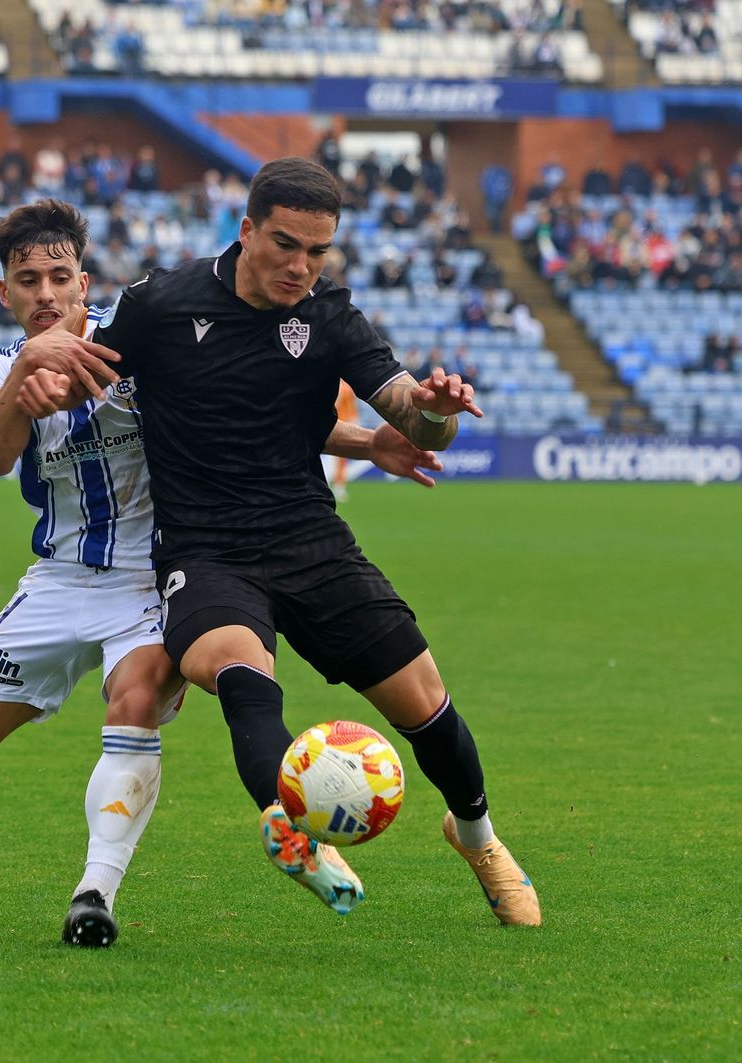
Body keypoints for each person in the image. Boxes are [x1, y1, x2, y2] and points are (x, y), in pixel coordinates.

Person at [0, 199, 444, 940]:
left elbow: (261, 412)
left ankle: (94, 894)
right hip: (58, 579)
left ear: (83, 283)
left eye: (58, 276)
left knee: (132, 702)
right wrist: (25, 378)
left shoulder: (142, 341)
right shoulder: (2, 368)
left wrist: (367, 442)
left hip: (156, 576)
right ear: (4, 293)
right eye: (26, 279)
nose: (44, 293)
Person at [76, 157, 542, 926]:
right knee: (240, 674)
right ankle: (295, 831)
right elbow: (85, 380)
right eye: (286, 245)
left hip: (309, 537)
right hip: (204, 549)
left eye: (318, 251)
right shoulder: (160, 303)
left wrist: (434, 410)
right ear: (247, 228)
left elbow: (414, 418)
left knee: (425, 702)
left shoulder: (329, 318)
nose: (301, 266)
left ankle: (478, 835)